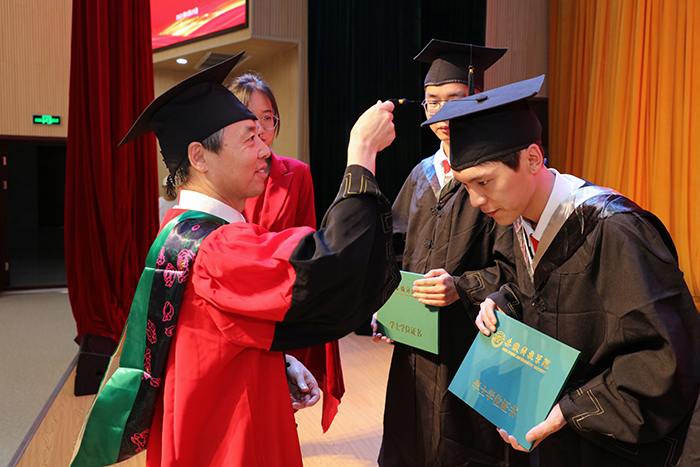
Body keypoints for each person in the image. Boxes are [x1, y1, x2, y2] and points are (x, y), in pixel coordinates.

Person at [70, 52, 400, 467]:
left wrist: (281, 361)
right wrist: (362, 154)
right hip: (227, 441)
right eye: (249, 138)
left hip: (209, 414)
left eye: (263, 133)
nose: (265, 150)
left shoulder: (180, 229)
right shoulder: (218, 247)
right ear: (199, 157)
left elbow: (217, 331)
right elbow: (329, 267)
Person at [425, 74, 700, 467]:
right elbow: (541, 294)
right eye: (466, 186)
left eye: (484, 182)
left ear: (532, 159)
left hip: (614, 444)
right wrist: (503, 301)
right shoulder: (523, 219)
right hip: (556, 432)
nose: (477, 201)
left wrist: (569, 410)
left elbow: (667, 358)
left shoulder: (615, 230)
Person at [373, 39, 527, 467]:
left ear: (477, 96)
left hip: (472, 338)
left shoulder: (498, 173)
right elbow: (395, 252)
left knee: (464, 442)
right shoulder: (420, 174)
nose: (442, 112)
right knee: (412, 436)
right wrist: (387, 307)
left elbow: (519, 267)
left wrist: (462, 287)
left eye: (455, 98)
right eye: (432, 101)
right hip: (417, 343)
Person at [227, 73, 344, 432]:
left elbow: (306, 241)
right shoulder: (223, 176)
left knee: (280, 404)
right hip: (233, 302)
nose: (263, 130)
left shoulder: (296, 173)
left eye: (269, 118)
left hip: (279, 303)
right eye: (252, 119)